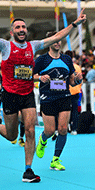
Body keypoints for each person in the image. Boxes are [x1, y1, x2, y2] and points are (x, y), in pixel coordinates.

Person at [0, 5, 86, 182]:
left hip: (27, 95)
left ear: (26, 31)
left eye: (23, 27)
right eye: (17, 27)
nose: (21, 30)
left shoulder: (33, 46)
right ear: (12, 32)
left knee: (30, 130)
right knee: (11, 135)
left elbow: (58, 37)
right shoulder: (5, 46)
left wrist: (74, 23)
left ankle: (28, 170)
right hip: (10, 95)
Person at [33, 31, 83, 171]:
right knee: (49, 130)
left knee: (62, 129)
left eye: (59, 40)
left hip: (64, 97)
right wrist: (40, 78)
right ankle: (42, 141)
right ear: (48, 42)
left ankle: (55, 160)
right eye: (54, 40)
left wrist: (78, 79)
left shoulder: (67, 59)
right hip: (47, 98)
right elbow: (30, 75)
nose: (57, 42)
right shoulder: (41, 60)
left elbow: (71, 82)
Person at [65, 50, 82, 135]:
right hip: (76, 91)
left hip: (66, 92)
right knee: (75, 110)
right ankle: (74, 129)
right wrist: (78, 87)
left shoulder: (64, 66)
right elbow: (80, 80)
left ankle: (66, 126)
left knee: (65, 110)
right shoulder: (77, 67)